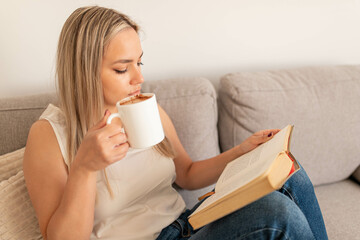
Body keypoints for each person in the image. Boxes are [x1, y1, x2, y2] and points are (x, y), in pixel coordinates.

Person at [23, 6, 328, 240]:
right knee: (277, 213)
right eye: (121, 68)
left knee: (288, 170)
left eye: (139, 62)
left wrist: (243, 152)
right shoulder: (50, 134)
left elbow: (186, 173)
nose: (139, 78)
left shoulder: (146, 109)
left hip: (186, 224)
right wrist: (85, 168)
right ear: (84, 71)